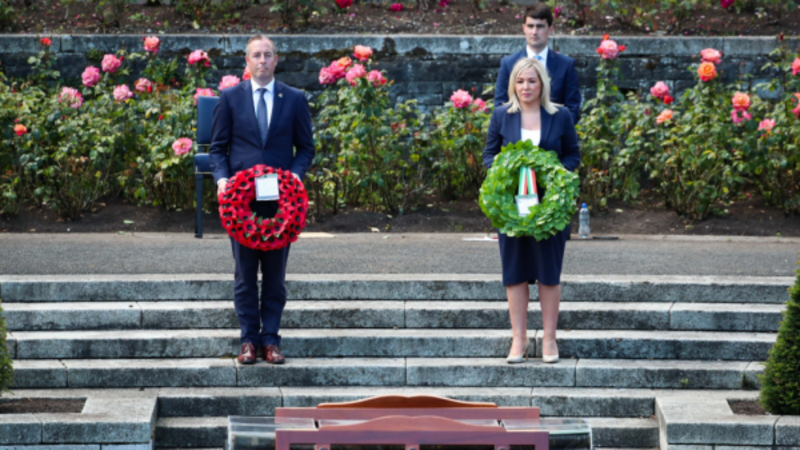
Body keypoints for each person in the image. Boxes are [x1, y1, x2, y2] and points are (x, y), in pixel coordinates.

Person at [209, 35, 315, 365]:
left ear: (276, 59)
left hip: (281, 203)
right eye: (257, 55)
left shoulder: (294, 98)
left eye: (268, 55)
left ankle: (271, 341)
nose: (262, 60)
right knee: (244, 276)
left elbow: (306, 149)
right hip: (240, 204)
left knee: (274, 277)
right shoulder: (229, 98)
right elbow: (217, 149)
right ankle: (248, 342)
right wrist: (222, 180)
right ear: (247, 61)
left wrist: (295, 176)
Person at [483, 58, 580, 364]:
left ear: (543, 85)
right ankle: (519, 340)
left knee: (548, 274)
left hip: (550, 208)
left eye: (532, 81)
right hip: (512, 209)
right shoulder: (501, 115)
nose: (526, 87)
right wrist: (506, 173)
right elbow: (489, 155)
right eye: (521, 81)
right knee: (515, 273)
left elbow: (572, 155)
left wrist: (552, 173)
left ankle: (550, 339)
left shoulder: (560, 115)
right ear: (513, 84)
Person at [494, 4, 581, 125]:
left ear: (550, 29)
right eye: (530, 26)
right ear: (524, 28)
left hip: (554, 139)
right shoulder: (509, 64)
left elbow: (573, 109)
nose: (534, 32)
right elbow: (500, 106)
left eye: (540, 26)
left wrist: (554, 132)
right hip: (518, 138)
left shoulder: (566, 65)